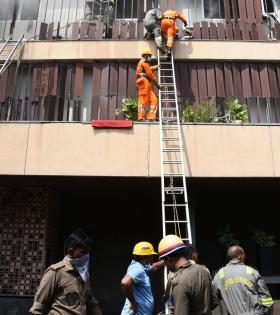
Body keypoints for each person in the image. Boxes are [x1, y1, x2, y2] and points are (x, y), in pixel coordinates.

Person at [29, 228, 103, 315]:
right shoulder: (55, 272)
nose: (85, 256)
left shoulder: (84, 274)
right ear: (71, 250)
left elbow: (91, 302)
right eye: (82, 252)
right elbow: (38, 307)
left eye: (87, 253)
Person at [158, 234, 218, 315]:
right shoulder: (203, 270)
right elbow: (214, 302)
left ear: (169, 259)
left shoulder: (179, 282)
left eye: (164, 261)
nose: (165, 264)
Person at [212, 245, 274, 315]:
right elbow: (265, 297)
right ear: (240, 256)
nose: (245, 257)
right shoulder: (252, 272)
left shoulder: (220, 274)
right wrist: (267, 312)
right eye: (244, 255)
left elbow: (212, 298)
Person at [120, 241, 164, 315]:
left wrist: (166, 260)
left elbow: (154, 267)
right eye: (151, 255)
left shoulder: (142, 267)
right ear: (145, 256)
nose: (153, 257)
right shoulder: (137, 268)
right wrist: (133, 303)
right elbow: (125, 283)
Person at [136, 48, 161, 121]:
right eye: (149, 56)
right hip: (144, 82)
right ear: (146, 56)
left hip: (146, 83)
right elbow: (149, 74)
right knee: (143, 101)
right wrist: (157, 84)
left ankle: (151, 117)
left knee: (154, 100)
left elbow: (147, 70)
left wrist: (154, 67)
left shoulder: (144, 63)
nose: (150, 58)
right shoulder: (144, 62)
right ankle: (141, 117)